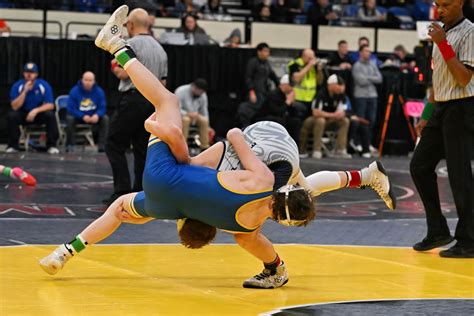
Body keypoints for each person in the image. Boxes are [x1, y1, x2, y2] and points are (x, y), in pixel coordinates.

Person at [39, 5, 316, 290]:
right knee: (120, 208)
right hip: (162, 199)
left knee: (168, 102)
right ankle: (64, 252)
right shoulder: (245, 230)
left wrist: (248, 157)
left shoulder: (264, 180)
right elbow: (253, 239)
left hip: (173, 174)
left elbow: (234, 134)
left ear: (286, 190)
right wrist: (275, 266)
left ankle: (115, 45)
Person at [410, 0, 474, 258]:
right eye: (438, 4)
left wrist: (443, 45)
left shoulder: (470, 32)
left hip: (463, 108)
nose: (440, 10)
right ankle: (437, 229)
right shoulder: (441, 33)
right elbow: (440, 81)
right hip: (441, 108)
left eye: (446, 5)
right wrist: (427, 114)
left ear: (460, 3)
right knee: (420, 166)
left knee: (459, 175)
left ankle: (469, 240)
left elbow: (463, 77)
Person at [105, 7, 168, 206]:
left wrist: (114, 67)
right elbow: (163, 83)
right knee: (142, 147)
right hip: (153, 101)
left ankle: (121, 192)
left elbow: (123, 73)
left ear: (130, 25)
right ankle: (140, 193)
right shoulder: (160, 49)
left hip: (133, 98)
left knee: (114, 143)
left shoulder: (130, 44)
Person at [7, 62, 60, 155]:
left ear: (36, 74)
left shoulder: (43, 85)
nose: (29, 74)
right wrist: (24, 91)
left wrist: (35, 111)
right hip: (23, 113)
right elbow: (14, 106)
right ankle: (13, 146)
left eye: (32, 72)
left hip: (38, 113)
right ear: (23, 73)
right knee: (12, 115)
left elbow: (50, 105)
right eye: (27, 72)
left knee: (50, 115)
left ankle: (52, 145)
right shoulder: (17, 86)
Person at [298, 74, 352, 159]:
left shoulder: (341, 95)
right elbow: (315, 112)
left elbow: (345, 110)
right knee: (320, 120)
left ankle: (340, 149)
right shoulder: (321, 94)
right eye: (339, 85)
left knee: (345, 120)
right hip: (313, 120)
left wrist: (342, 114)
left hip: (330, 120)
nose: (341, 87)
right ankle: (317, 150)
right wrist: (332, 115)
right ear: (331, 85)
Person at [237, 42, 279, 128]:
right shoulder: (253, 62)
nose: (267, 53)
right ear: (259, 52)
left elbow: (273, 76)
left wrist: (280, 85)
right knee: (248, 111)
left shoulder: (267, 64)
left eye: (268, 51)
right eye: (265, 51)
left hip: (263, 92)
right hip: (255, 92)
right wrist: (251, 91)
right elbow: (248, 77)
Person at [66, 71, 109, 153]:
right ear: (82, 80)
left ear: (94, 81)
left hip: (93, 116)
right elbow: (71, 109)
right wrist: (82, 116)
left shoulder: (99, 91)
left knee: (105, 118)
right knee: (69, 119)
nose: (88, 82)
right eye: (86, 80)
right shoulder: (74, 91)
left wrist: (97, 115)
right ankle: (70, 145)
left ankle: (102, 145)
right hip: (79, 116)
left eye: (90, 80)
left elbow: (102, 107)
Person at [352, 44, 383, 158]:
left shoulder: (373, 64)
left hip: (372, 95)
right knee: (361, 120)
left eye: (369, 51)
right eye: (366, 51)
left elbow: (379, 79)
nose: (368, 53)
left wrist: (367, 78)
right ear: (360, 52)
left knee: (371, 121)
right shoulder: (357, 66)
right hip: (360, 95)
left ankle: (367, 143)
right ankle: (358, 143)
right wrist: (371, 78)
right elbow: (360, 81)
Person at [254, 74, 302, 144]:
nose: (292, 88)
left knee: (296, 121)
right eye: (290, 85)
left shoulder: (286, 95)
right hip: (263, 118)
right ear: (284, 85)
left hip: (276, 118)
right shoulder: (273, 95)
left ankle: (294, 146)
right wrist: (288, 102)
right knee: (279, 120)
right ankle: (280, 144)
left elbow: (294, 114)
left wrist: (292, 103)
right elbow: (277, 112)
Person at [287, 48, 324, 122]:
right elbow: (296, 78)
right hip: (297, 98)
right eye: (309, 58)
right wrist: (309, 66)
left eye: (313, 58)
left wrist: (319, 70)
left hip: (311, 99)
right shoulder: (295, 64)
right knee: (297, 121)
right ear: (303, 56)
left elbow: (320, 81)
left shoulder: (314, 66)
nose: (312, 60)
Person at [175, 78, 211, 151]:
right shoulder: (180, 91)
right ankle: (182, 146)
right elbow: (176, 108)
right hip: (181, 116)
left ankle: (204, 147)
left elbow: (204, 110)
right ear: (193, 87)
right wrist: (187, 113)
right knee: (186, 120)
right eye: (199, 91)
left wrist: (208, 127)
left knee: (204, 121)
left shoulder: (203, 94)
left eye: (202, 92)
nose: (200, 93)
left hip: (195, 116)